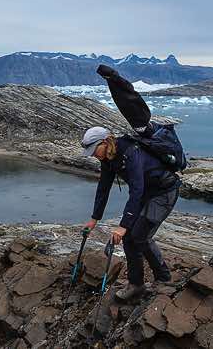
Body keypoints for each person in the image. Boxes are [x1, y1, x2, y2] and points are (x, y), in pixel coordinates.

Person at [81, 125, 181, 300]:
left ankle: (164, 278)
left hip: (164, 192)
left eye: (94, 150)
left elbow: (136, 190)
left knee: (140, 236)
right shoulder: (108, 158)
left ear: (105, 142)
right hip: (147, 193)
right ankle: (136, 284)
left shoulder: (130, 152)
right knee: (129, 238)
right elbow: (103, 188)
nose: (94, 155)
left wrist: (122, 226)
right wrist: (94, 218)